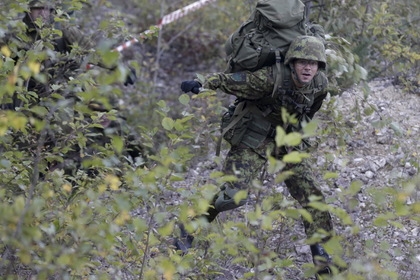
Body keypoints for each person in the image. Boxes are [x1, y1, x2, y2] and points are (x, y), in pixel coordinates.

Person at [176, 35, 334, 276]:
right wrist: (200, 82)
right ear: (292, 63)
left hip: (288, 138)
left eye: (313, 64)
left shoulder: (319, 83)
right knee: (232, 196)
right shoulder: (270, 77)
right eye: (302, 62)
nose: (308, 68)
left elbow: (311, 109)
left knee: (311, 195)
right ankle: (189, 229)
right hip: (256, 134)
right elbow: (232, 81)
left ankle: (322, 258)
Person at [0, 0, 141, 179]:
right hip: (25, 102)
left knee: (68, 142)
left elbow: (93, 51)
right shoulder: (16, 35)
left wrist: (120, 68)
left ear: (52, 11)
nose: (42, 14)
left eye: (46, 9)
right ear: (29, 11)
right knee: (25, 147)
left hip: (60, 99)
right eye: (38, 9)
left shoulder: (63, 31)